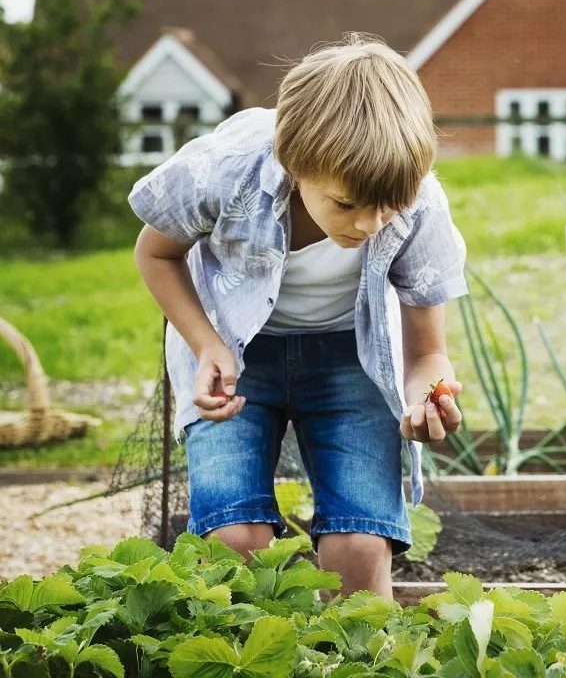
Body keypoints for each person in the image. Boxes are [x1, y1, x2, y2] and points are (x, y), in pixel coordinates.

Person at [128, 34, 467, 598]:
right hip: (235, 355)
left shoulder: (419, 201)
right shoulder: (229, 169)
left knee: (357, 553)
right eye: (346, 204)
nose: (369, 225)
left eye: (389, 206)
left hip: (349, 356)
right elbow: (155, 252)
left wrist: (424, 396)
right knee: (234, 539)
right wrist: (206, 344)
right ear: (295, 163)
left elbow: (428, 351)